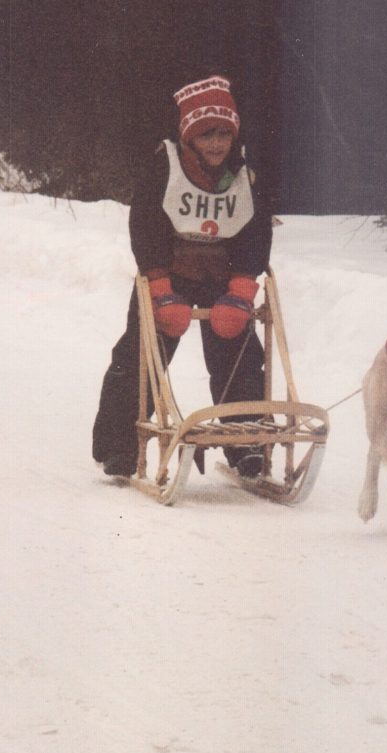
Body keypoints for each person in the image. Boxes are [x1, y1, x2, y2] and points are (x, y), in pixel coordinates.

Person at [92, 72, 273, 479]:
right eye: (207, 135)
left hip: (224, 276)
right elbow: (145, 226)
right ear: (190, 136)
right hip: (170, 272)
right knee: (141, 355)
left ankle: (247, 442)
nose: (216, 144)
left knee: (241, 355)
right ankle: (119, 446)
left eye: (223, 134)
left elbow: (255, 232)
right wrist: (160, 288)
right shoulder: (165, 166)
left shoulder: (243, 173)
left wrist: (242, 289)